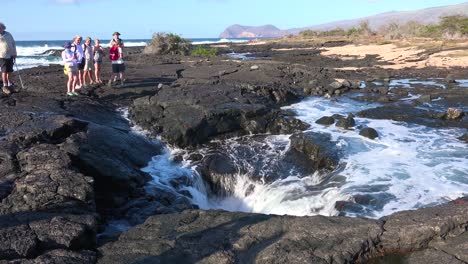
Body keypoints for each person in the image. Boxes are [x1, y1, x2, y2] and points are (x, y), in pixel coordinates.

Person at [0, 22, 17, 95]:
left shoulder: (8, 34)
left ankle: (10, 85)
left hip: (10, 55)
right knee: (4, 71)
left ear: (3, 28)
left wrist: (14, 53)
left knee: (9, 71)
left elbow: (13, 43)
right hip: (2, 56)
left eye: (0, 28)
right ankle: (5, 86)